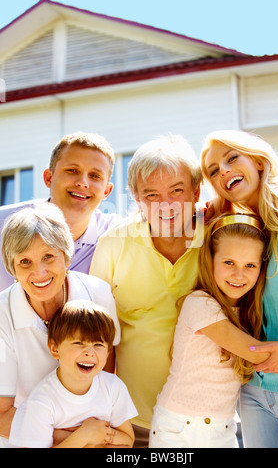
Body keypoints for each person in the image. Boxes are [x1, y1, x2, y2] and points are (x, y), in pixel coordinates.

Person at [90, 134, 203, 446]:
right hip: (132, 423)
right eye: (151, 195)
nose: (164, 205)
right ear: (135, 199)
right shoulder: (113, 244)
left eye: (176, 191)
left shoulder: (218, 242)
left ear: (196, 191)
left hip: (204, 423)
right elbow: (98, 335)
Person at [200, 129, 278, 448]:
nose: (224, 171)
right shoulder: (234, 233)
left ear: (257, 161)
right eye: (214, 171)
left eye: (232, 158)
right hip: (253, 395)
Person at [0, 203, 120, 448]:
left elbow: (105, 380)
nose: (40, 272)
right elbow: (1, 415)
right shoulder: (2, 315)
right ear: (12, 268)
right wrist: (76, 439)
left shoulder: (98, 294)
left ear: (66, 255)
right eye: (25, 262)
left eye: (48, 257)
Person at [149, 213, 270, 448]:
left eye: (250, 266)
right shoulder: (199, 303)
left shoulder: (249, 312)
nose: (239, 275)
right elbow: (254, 352)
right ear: (210, 260)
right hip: (177, 428)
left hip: (222, 429)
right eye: (229, 263)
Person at [0, 131, 121, 292]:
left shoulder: (117, 235)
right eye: (72, 170)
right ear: (49, 178)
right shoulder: (3, 225)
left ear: (107, 190)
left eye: (94, 175)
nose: (83, 182)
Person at [9, 300, 137, 448]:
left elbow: (127, 440)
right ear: (55, 349)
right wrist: (84, 436)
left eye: (98, 345)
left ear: (108, 353)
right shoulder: (42, 402)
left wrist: (64, 441)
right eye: (79, 343)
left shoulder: (113, 387)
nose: (90, 352)